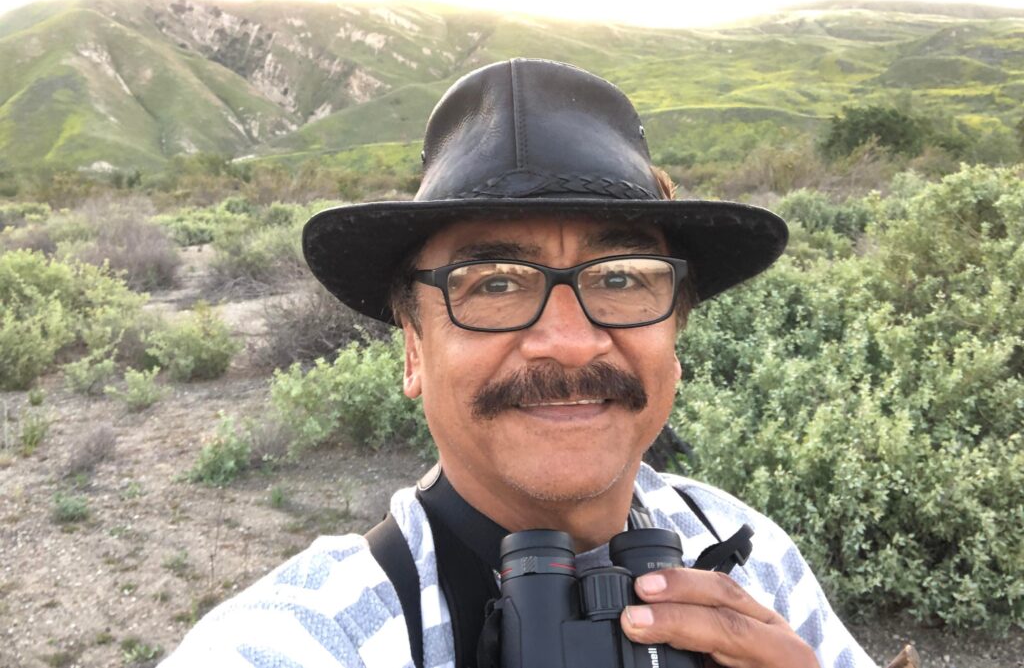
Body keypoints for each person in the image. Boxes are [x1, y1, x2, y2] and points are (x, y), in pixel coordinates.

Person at [162, 58, 876, 668]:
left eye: (622, 276)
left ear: (676, 338)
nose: (570, 340)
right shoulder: (305, 637)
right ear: (414, 349)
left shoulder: (746, 553)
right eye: (495, 282)